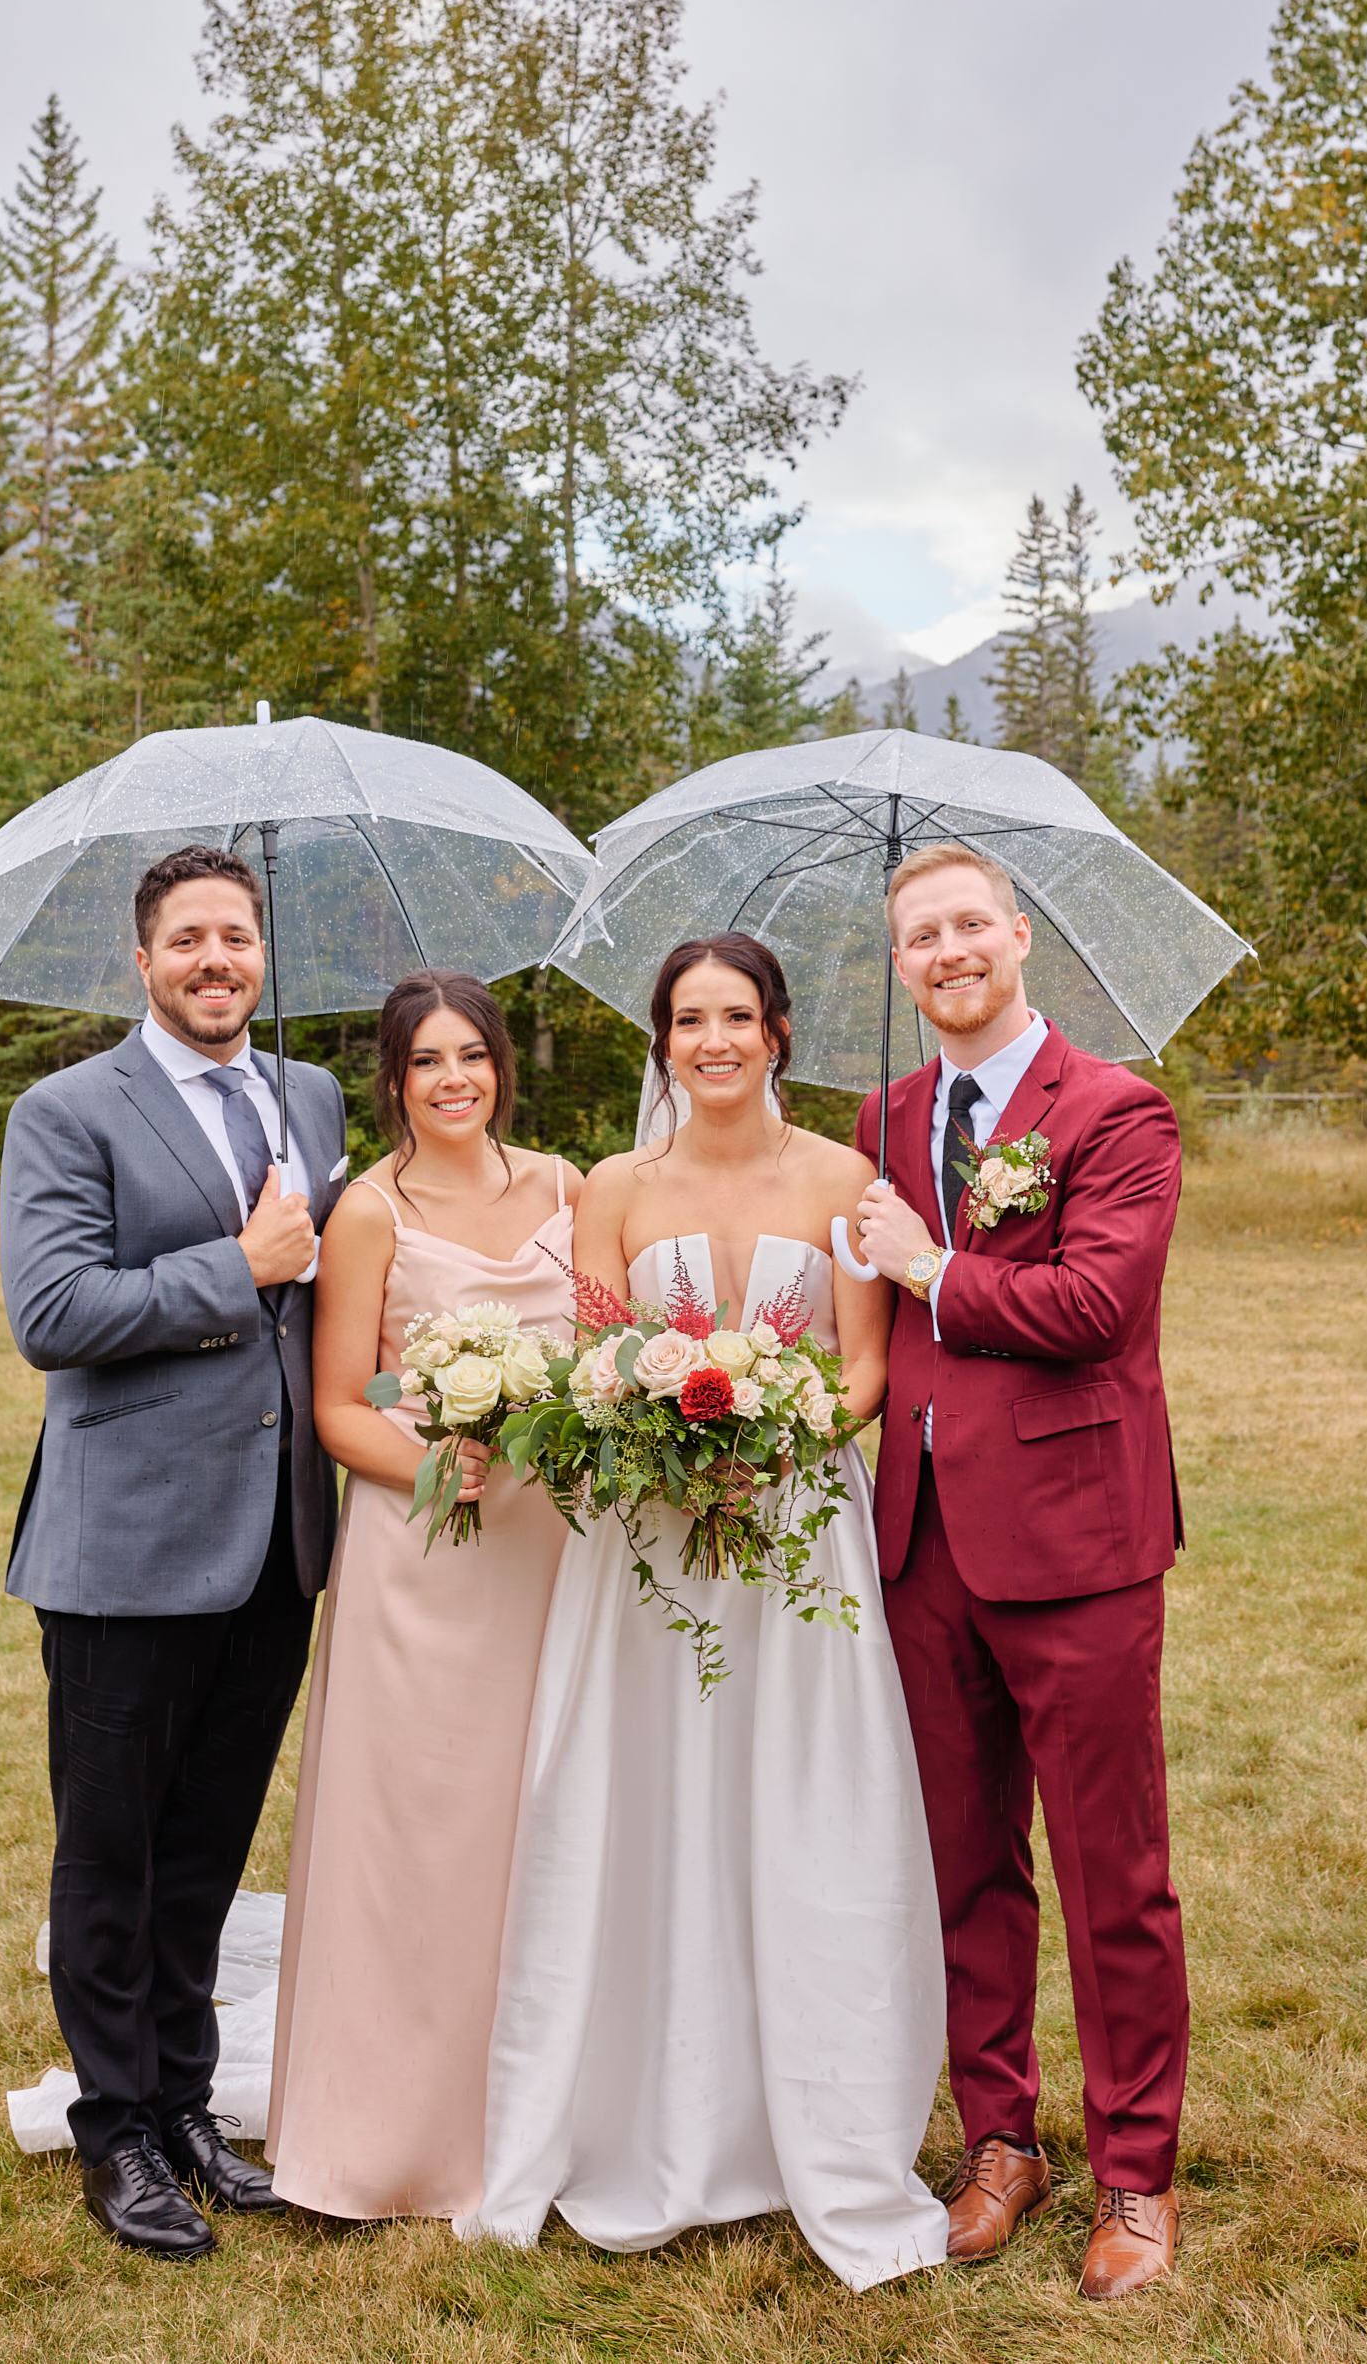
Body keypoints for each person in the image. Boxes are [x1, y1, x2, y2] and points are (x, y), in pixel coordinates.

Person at [464, 933, 949, 2292]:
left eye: (736, 1014)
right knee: (649, 1794)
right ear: (662, 1040)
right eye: (688, 1019)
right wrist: (665, 1433)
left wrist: (778, 1433)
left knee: (798, 1799)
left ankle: (815, 2109)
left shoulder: (846, 1181)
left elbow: (858, 1369)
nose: (713, 1039)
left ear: (777, 1030)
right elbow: (596, 1359)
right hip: (650, 1542)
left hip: (795, 1531)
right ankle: (640, 2105)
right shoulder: (612, 1186)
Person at [0, 844, 348, 2260]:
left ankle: (189, 2103)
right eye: (188, 940)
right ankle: (116, 2131)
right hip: (124, 1548)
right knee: (112, 1853)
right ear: (142, 963)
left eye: (238, 936)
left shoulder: (308, 1098)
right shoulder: (67, 1110)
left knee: (206, 1846)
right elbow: (54, 1311)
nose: (217, 959)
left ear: (263, 955)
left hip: (274, 1540)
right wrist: (240, 1269)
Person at [852, 839, 1188, 2303]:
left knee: (1109, 1867)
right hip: (920, 1536)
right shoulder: (881, 1116)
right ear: (896, 965)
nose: (945, 952)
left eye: (966, 924)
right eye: (917, 935)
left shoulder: (1115, 1110)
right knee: (964, 1861)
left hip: (1074, 1542)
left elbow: (1093, 1305)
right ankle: (999, 2136)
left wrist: (928, 1267)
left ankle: (1133, 2171)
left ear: (1017, 935)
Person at [265, 971, 579, 2222]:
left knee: (543, 1824)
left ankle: (544, 2109)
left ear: (502, 1065)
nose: (454, 1079)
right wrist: (439, 1463)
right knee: (419, 1842)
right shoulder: (366, 1211)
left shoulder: (571, 1186)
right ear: (393, 1081)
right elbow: (343, 1402)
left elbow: (604, 1353)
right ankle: (393, 2136)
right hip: (424, 1554)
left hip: (554, 1548)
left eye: (473, 1055)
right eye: (425, 1061)